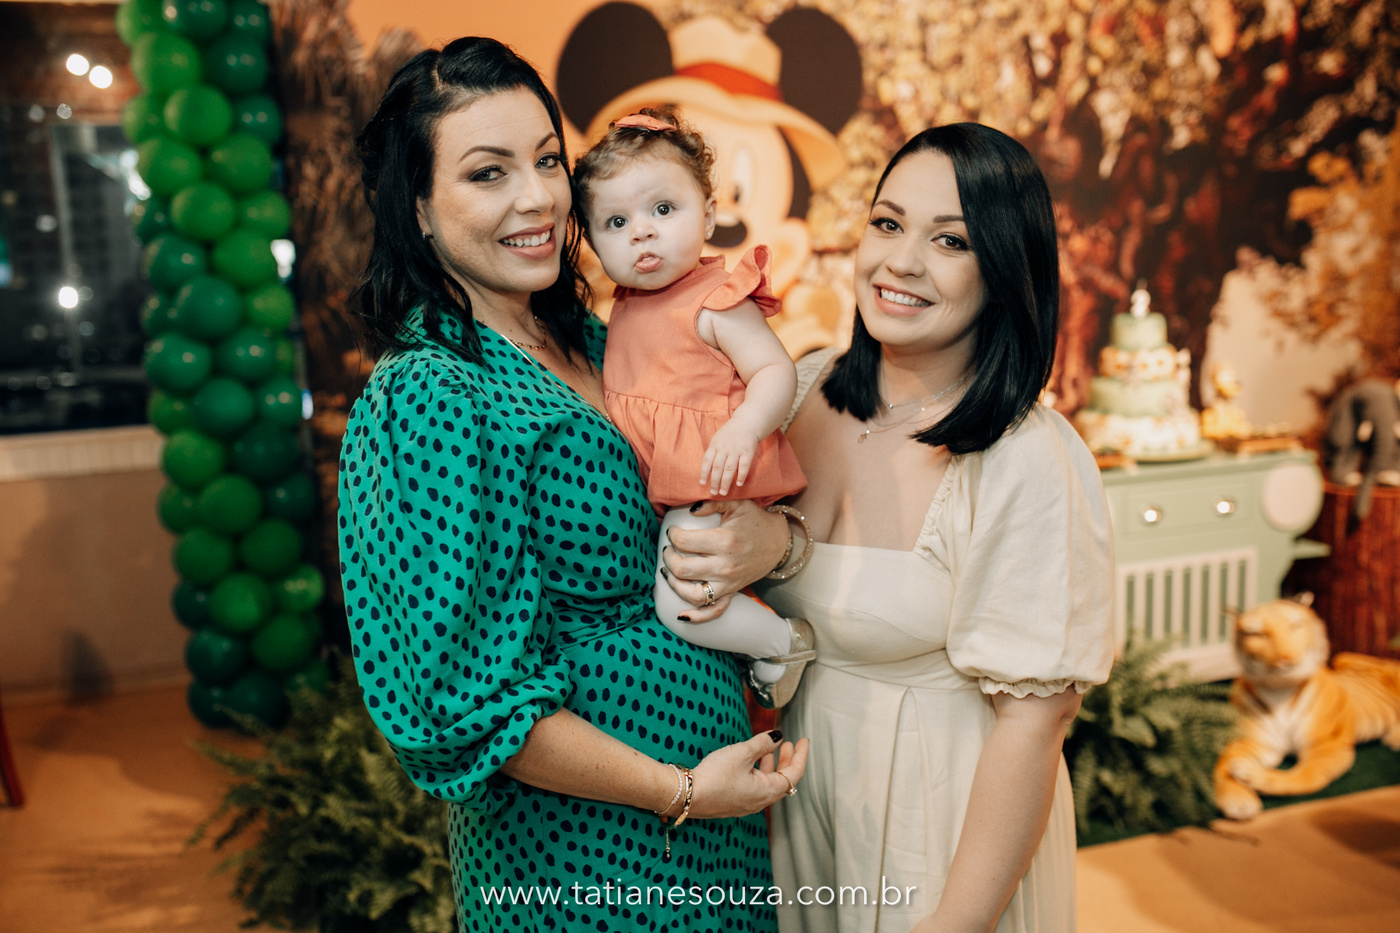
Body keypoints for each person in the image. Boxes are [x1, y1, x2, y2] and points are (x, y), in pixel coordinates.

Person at [337, 37, 808, 932]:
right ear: (418, 208)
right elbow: (466, 700)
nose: (539, 197)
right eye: (488, 172)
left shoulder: (597, 339)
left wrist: (769, 542)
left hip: (715, 822)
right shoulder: (432, 392)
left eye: (548, 160)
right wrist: (677, 789)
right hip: (584, 852)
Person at [668, 124, 1115, 932]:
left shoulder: (1025, 456)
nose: (901, 261)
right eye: (888, 222)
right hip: (802, 809)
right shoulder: (798, 391)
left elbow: (1035, 722)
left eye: (950, 240)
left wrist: (955, 922)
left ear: (1005, 268)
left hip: (941, 827)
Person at [572, 106, 815, 708]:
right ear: (591, 241)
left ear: (708, 214)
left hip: (709, 475)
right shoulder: (625, 305)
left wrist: (745, 428)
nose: (642, 232)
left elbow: (774, 370)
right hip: (672, 482)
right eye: (616, 222)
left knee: (680, 606)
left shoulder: (716, 300)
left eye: (663, 209)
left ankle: (783, 642)